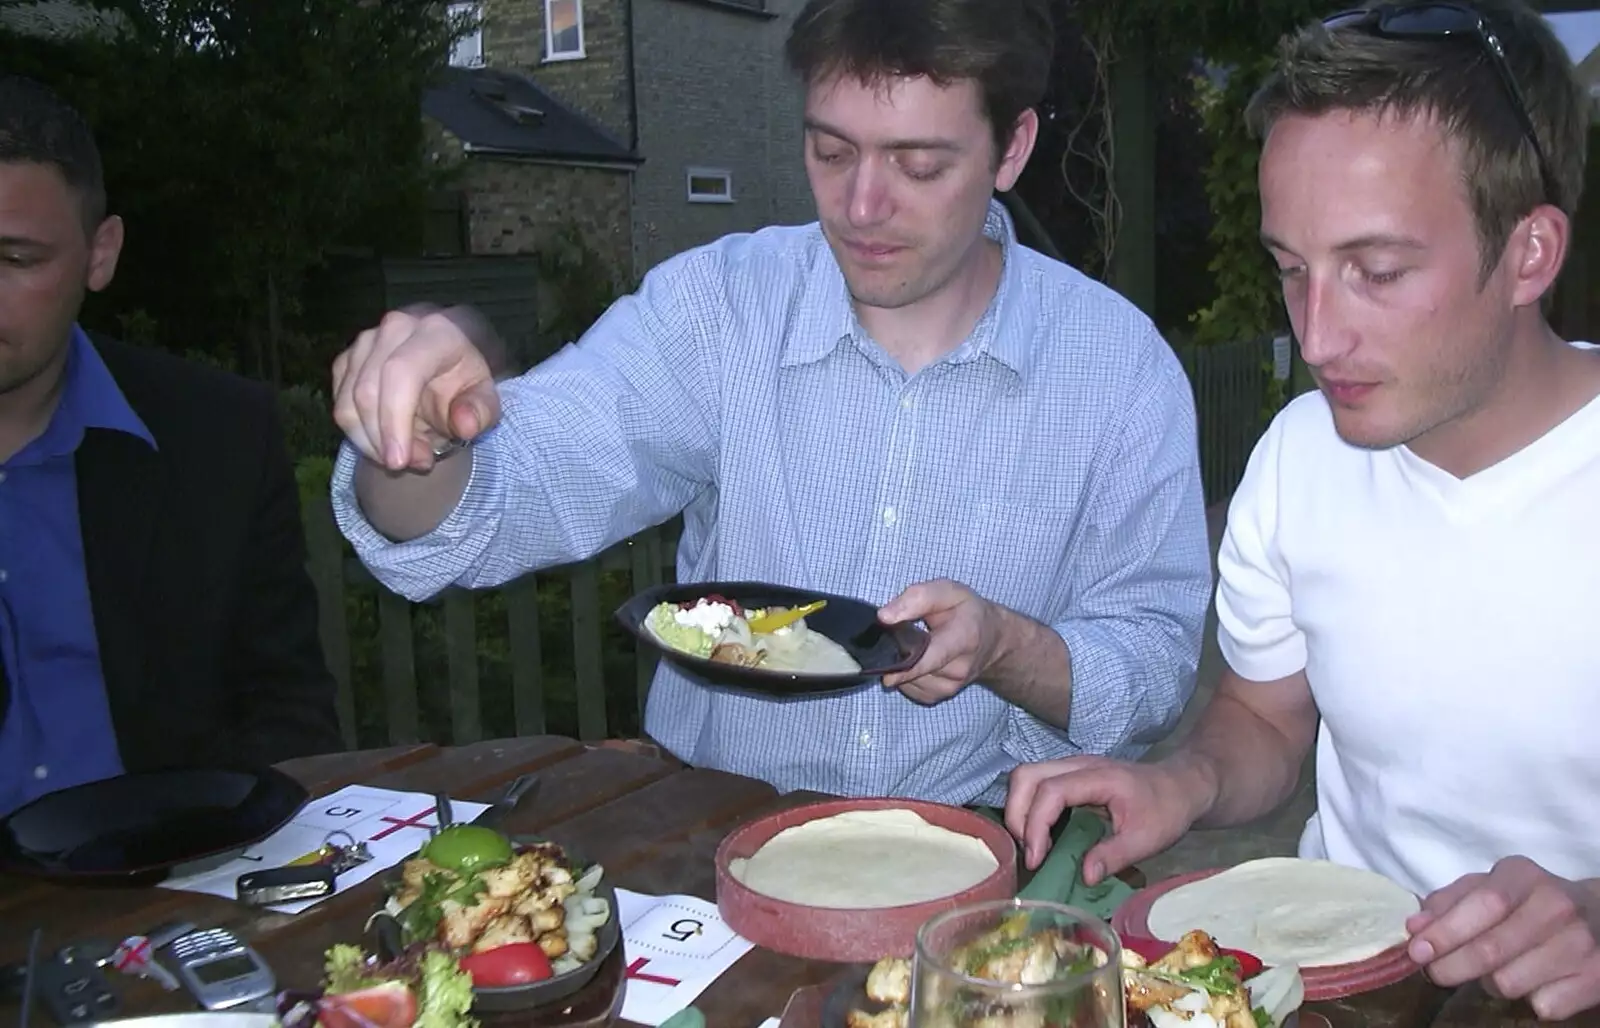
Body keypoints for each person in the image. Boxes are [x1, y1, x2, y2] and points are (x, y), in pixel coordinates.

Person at [327, 0, 1212, 807]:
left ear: (1011, 149)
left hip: (980, 855)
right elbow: (518, 488)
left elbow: (1153, 664)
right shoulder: (718, 310)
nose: (862, 206)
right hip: (709, 834)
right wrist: (415, 436)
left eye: (918, 164)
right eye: (831, 151)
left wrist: (1008, 648)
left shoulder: (1118, 368)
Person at [1006, 0, 1600, 1017]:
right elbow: (1263, 714)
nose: (1317, 337)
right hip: (1342, 989)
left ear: (1529, 254)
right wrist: (1186, 780)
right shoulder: (1299, 455)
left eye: (1374, 271)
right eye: (1291, 269)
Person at [0, 75, 343, 817]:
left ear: (100, 254)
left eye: (16, 260)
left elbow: (288, 716)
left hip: (173, 894)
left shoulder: (217, 441)